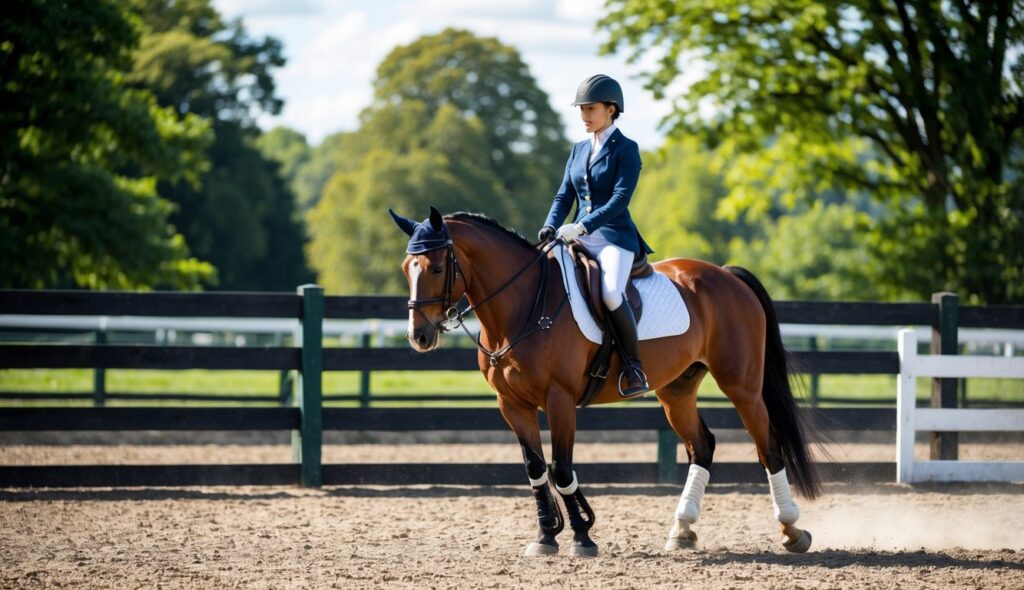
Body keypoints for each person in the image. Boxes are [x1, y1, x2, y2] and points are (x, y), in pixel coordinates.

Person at [538, 74, 653, 398]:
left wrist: (583, 225)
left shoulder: (626, 149)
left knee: (612, 293)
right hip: (576, 236)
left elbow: (619, 200)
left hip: (615, 238)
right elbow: (564, 196)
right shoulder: (577, 150)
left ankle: (633, 366)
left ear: (611, 109)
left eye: (591, 109)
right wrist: (550, 225)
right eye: (582, 110)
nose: (584, 116)